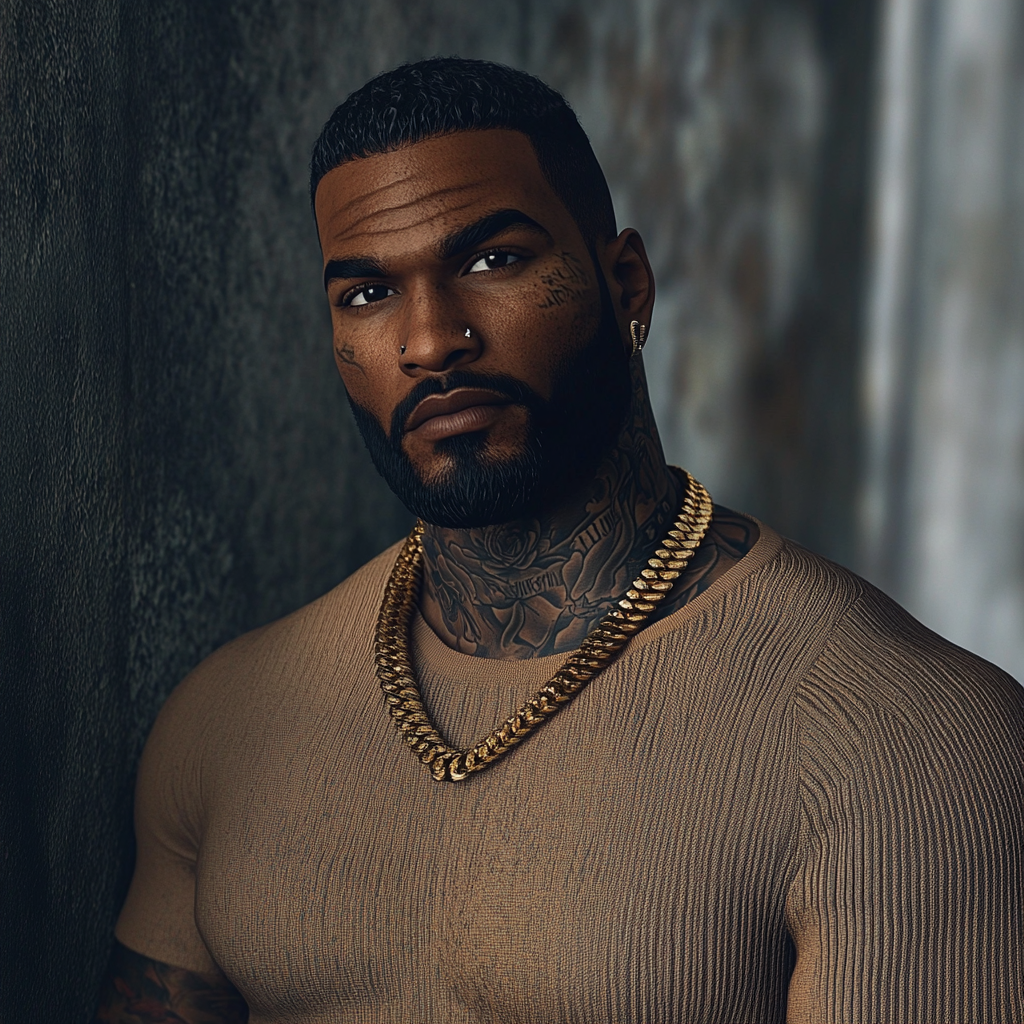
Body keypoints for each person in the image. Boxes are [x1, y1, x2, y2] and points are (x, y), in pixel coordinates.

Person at [95, 58, 1024, 1024]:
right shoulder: (225, 723)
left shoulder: (909, 743)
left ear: (625, 283)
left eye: (493, 261)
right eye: (368, 293)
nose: (429, 340)